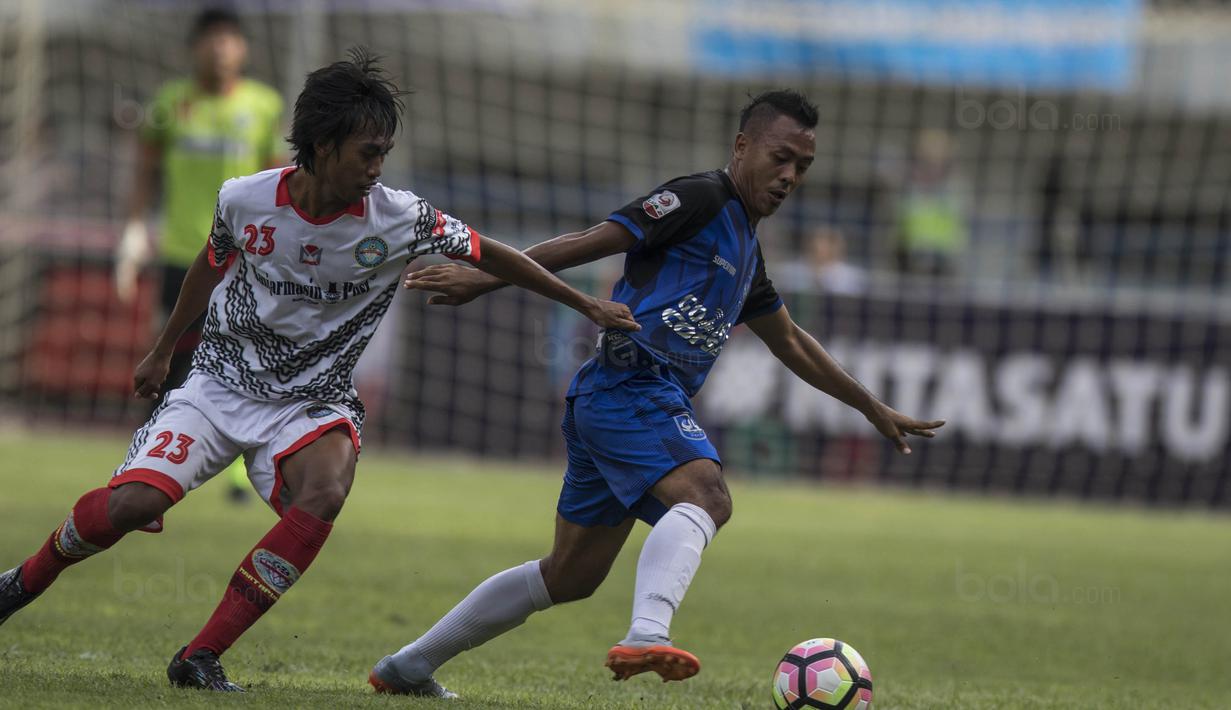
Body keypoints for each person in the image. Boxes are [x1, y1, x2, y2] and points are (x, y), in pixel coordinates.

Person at [0, 49, 638, 695]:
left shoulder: (400, 216)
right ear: (323, 145)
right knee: (133, 505)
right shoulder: (244, 198)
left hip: (313, 401)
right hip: (219, 384)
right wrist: (164, 350)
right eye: (367, 152)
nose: (377, 167)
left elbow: (491, 252)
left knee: (325, 491)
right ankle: (22, 582)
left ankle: (201, 655)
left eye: (384, 152)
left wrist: (584, 303)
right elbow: (211, 263)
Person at [370, 90, 944, 695]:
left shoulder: (747, 253)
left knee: (569, 576)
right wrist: (484, 278)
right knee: (707, 494)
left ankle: (408, 666)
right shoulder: (699, 199)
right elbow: (590, 240)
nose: (789, 177)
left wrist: (870, 406)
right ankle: (648, 632)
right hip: (631, 386)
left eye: (802, 167)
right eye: (780, 158)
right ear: (742, 146)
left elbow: (792, 342)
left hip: (613, 399)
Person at [116, 7, 284, 503]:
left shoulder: (264, 106)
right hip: (181, 255)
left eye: (229, 39)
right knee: (168, 359)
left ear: (243, 49)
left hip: (243, 258)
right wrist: (133, 227)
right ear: (194, 48)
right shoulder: (170, 103)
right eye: (211, 38)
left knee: (249, 356)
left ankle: (240, 472)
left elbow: (277, 181)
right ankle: (145, 466)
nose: (219, 48)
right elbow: (145, 170)